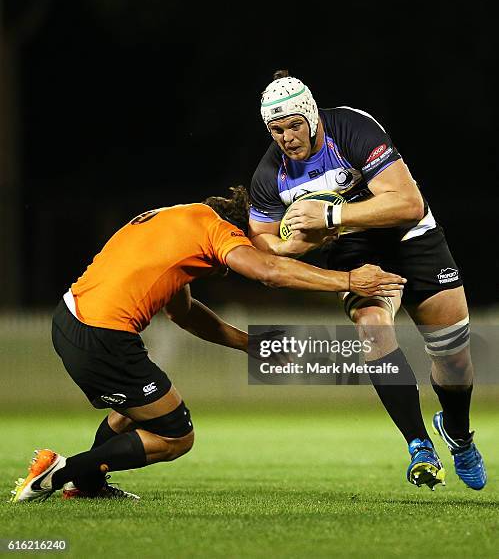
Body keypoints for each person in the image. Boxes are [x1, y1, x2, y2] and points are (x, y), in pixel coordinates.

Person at [10, 187, 405, 502]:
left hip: (69, 319)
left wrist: (249, 344)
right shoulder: (219, 230)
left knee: (133, 412)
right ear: (244, 228)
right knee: (175, 435)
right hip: (103, 334)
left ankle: (89, 487)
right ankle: (60, 472)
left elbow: (184, 313)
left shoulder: (177, 219)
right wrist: (349, 281)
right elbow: (267, 270)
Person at [249, 70, 486, 490]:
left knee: (454, 357)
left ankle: (459, 434)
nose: (286, 137)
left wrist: (330, 216)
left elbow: (408, 203)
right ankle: (419, 446)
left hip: (412, 238)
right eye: (276, 129)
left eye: (293, 125)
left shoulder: (352, 128)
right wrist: (291, 247)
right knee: (373, 329)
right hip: (354, 251)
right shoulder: (270, 175)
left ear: (312, 116)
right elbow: (263, 244)